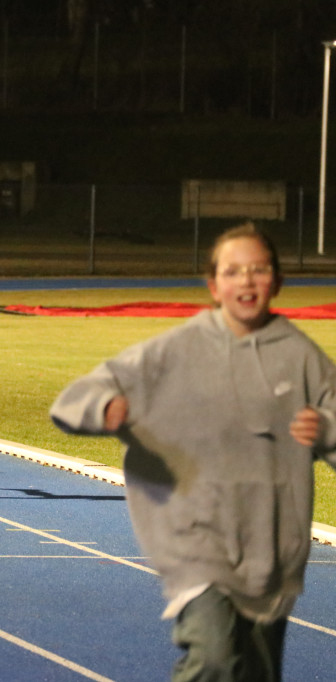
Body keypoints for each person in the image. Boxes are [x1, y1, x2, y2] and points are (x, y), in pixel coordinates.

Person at [49, 222, 336, 681]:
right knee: (215, 658)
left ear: (278, 282)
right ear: (213, 285)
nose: (246, 281)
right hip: (198, 542)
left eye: (258, 270)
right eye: (233, 271)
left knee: (255, 675)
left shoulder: (302, 357)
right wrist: (103, 406)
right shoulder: (176, 351)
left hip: (273, 552)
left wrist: (326, 430)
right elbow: (78, 396)